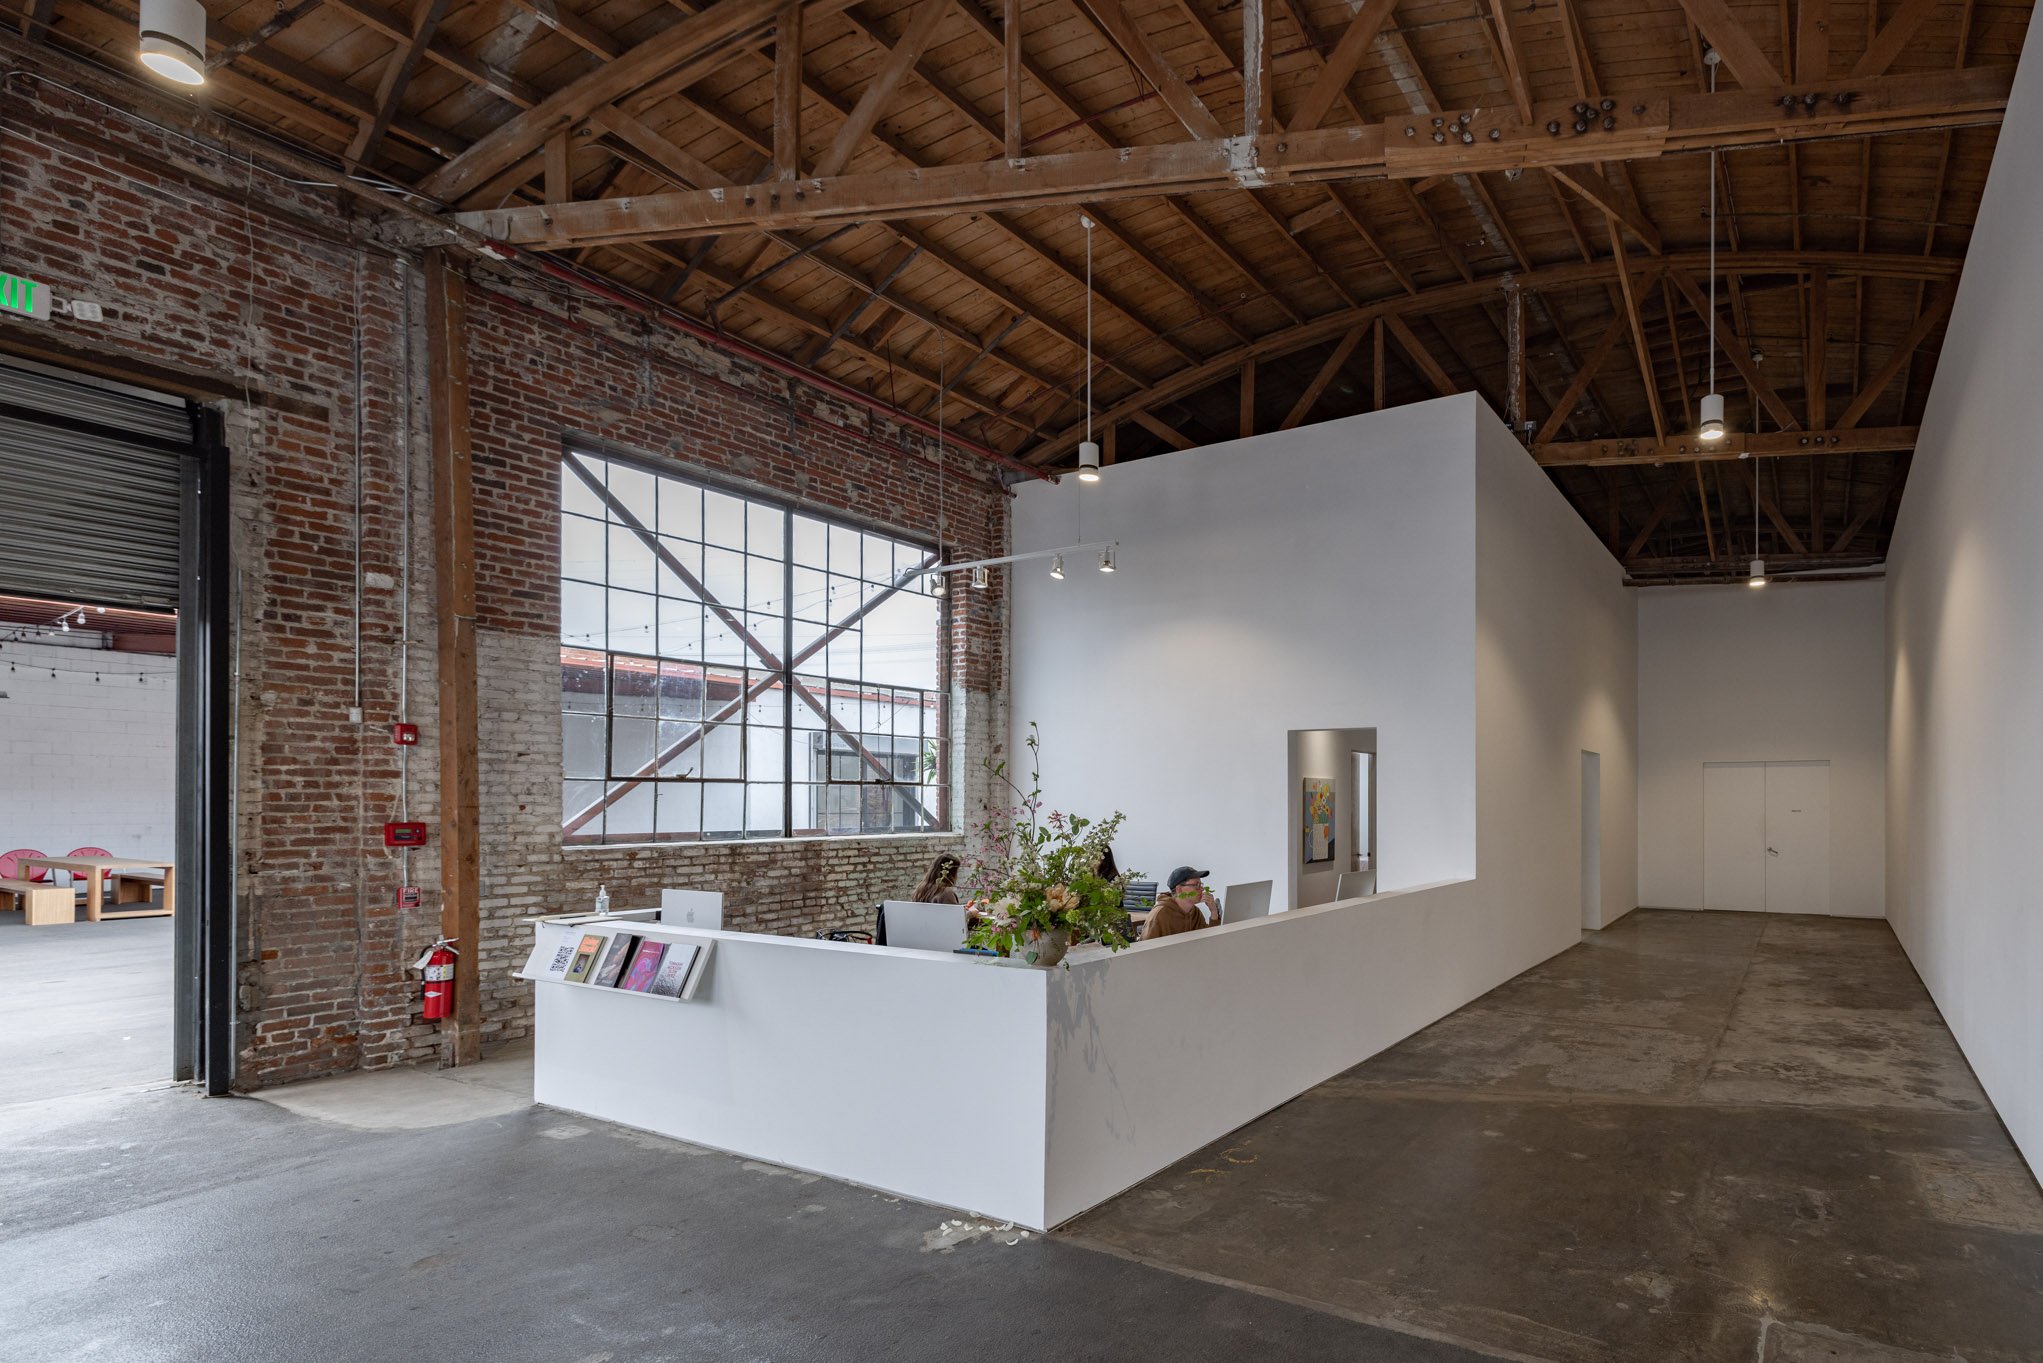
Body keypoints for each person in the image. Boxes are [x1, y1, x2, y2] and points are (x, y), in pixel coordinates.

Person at [1140, 866, 1218, 941]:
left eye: (1200, 884)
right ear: (1179, 889)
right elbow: (1144, 950)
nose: (1202, 888)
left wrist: (1214, 911)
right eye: (1196, 885)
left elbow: (1209, 941)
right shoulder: (1160, 914)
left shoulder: (1195, 912)